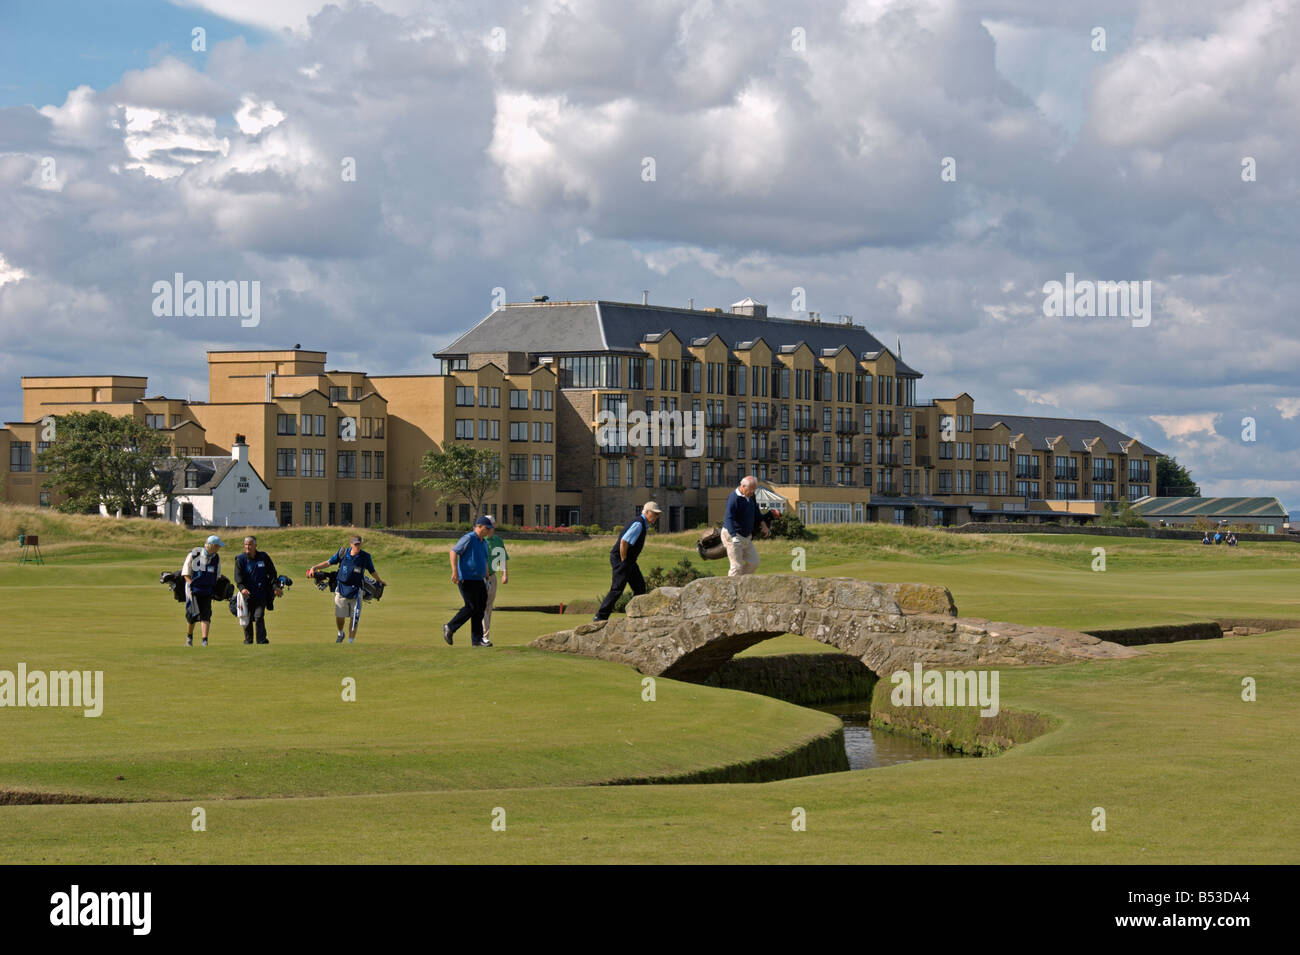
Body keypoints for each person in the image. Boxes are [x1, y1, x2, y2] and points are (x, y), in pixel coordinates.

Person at [307, 535, 385, 644]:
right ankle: (340, 633)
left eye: (359, 544)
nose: (358, 546)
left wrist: (379, 581)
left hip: (357, 591)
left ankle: (350, 641)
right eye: (355, 544)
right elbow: (328, 562)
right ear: (351, 544)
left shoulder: (365, 557)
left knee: (354, 619)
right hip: (341, 590)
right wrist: (314, 568)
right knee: (340, 616)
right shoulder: (343, 553)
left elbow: (372, 570)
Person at [594, 501, 661, 621]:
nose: (656, 516)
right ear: (646, 512)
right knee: (617, 588)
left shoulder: (643, 524)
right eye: (654, 513)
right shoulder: (639, 524)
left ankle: (637, 614)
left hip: (629, 560)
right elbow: (624, 542)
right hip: (622, 559)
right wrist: (624, 560)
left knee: (640, 587)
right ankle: (600, 617)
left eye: (657, 514)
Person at [444, 516, 494, 647]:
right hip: (466, 578)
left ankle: (477, 640)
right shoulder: (469, 538)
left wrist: (487, 574)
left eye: (490, 529)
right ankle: (450, 627)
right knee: (471, 606)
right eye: (487, 528)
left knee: (480, 608)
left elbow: (484, 559)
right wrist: (455, 571)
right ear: (479, 527)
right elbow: (453, 552)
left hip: (479, 579)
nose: (489, 531)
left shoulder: (483, 542)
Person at [234, 535, 282, 645]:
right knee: (248, 618)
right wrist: (242, 589)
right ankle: (248, 640)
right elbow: (238, 577)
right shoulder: (240, 559)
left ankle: (261, 640)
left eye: (250, 544)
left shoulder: (263, 557)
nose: (247, 546)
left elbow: (272, 573)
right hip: (247, 595)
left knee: (259, 616)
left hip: (261, 594)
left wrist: (275, 587)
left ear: (255, 545)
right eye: (246, 544)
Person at [721, 475, 771, 577]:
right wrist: (733, 536)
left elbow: (756, 511)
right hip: (732, 535)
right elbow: (728, 518)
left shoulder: (751, 496)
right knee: (736, 567)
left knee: (754, 562)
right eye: (751, 490)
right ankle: (732, 590)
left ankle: (740, 583)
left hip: (746, 537)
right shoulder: (733, 499)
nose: (753, 492)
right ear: (743, 486)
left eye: (754, 490)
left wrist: (764, 525)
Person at [183, 535, 224, 646]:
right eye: (218, 546)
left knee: (206, 615)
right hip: (193, 590)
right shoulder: (194, 554)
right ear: (212, 546)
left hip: (207, 590)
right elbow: (186, 573)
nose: (219, 548)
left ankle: (204, 640)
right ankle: (189, 637)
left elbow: (217, 575)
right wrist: (191, 585)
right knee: (192, 615)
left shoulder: (216, 558)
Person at [482, 516, 509, 644]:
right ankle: (481, 635)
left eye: (492, 525)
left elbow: (501, 558)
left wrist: (504, 574)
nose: (490, 528)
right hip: (479, 577)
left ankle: (485, 636)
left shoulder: (498, 540)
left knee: (488, 607)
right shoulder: (480, 540)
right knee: (480, 606)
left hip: (492, 576)